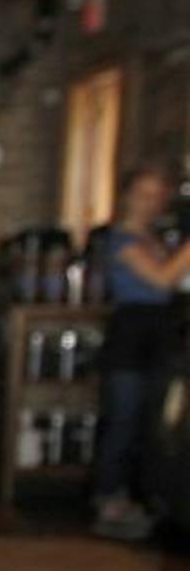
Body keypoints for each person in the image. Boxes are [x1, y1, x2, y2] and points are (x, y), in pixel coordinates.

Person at [91, 164, 190, 540]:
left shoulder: (152, 238)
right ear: (128, 196)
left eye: (157, 195)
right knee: (122, 420)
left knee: (150, 423)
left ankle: (139, 499)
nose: (150, 203)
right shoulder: (122, 240)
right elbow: (162, 280)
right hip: (130, 337)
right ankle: (107, 500)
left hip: (160, 335)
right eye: (143, 194)